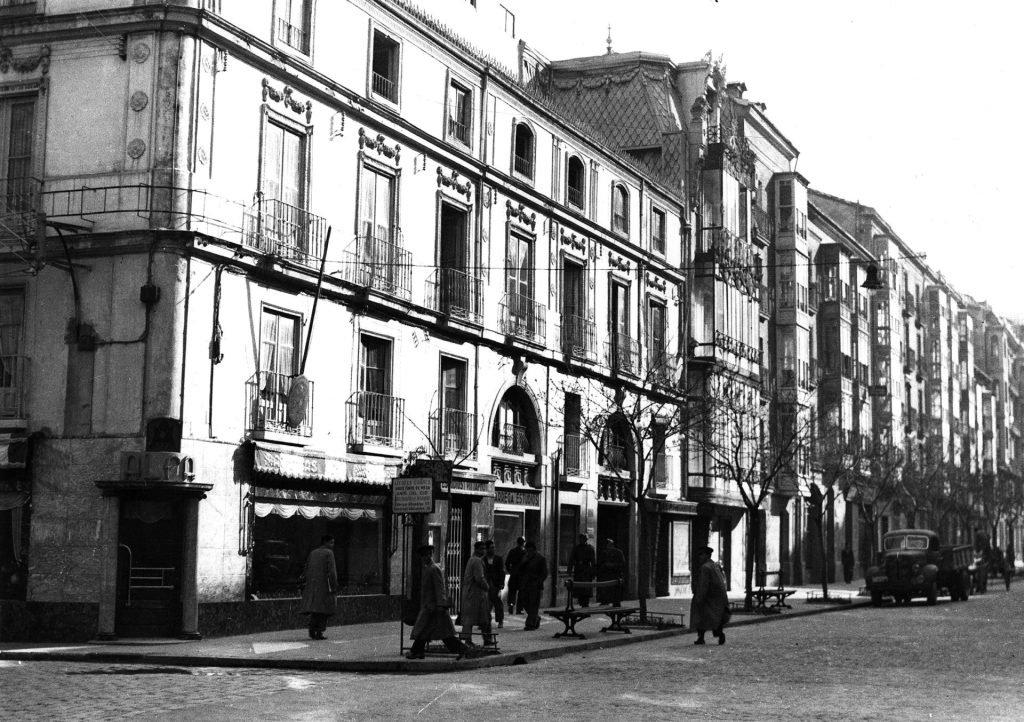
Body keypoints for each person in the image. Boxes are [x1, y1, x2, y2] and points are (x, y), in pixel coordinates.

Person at [407, 544, 471, 659]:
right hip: (430, 607)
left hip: (434, 608)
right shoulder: (428, 569)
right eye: (422, 556)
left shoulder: (434, 569)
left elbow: (439, 588)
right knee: (425, 630)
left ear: (430, 555)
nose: (423, 558)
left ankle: (464, 649)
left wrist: (440, 604)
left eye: (425, 555)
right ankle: (418, 651)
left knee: (440, 633)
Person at [690, 545, 730, 645]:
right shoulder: (715, 565)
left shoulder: (705, 567)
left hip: (708, 597)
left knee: (700, 616)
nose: (699, 557)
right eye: (699, 555)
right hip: (718, 597)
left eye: (701, 554)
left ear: (707, 555)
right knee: (715, 617)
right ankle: (719, 634)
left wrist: (700, 598)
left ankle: (701, 637)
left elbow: (704, 584)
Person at [299, 535, 338, 640]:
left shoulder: (313, 552)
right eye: (331, 543)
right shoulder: (329, 553)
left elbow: (306, 568)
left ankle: (312, 628)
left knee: (315, 610)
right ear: (325, 542)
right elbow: (332, 572)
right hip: (324, 586)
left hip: (312, 586)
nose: (332, 545)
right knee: (323, 611)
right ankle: (319, 632)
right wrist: (334, 586)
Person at [460, 540, 492, 646]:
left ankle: (469, 639)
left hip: (472, 594)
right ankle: (486, 639)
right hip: (476, 594)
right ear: (477, 549)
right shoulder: (477, 561)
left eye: (484, 548)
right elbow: (479, 578)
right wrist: (487, 587)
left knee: (471, 618)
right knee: (484, 617)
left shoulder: (472, 560)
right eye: (482, 548)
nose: (484, 550)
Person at [517, 541, 548, 630]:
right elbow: (520, 569)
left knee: (533, 604)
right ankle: (535, 618)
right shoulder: (525, 557)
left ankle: (530, 624)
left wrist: (538, 581)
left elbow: (544, 572)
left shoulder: (540, 558)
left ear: (534, 550)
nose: (528, 552)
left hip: (535, 584)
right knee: (525, 603)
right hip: (525, 584)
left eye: (530, 550)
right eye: (527, 550)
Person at [596, 538, 626, 607]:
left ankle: (616, 603)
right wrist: (604, 566)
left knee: (615, 591)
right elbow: (599, 564)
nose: (608, 546)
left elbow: (622, 564)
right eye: (607, 545)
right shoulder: (603, 553)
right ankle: (605, 601)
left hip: (615, 574)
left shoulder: (618, 552)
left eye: (609, 545)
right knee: (606, 589)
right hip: (606, 574)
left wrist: (613, 565)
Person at [569, 533, 596, 607]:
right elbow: (572, 559)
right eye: (580, 539)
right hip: (578, 569)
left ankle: (585, 601)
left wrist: (593, 572)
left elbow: (593, 561)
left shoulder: (590, 548)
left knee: (586, 587)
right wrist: (570, 569)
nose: (581, 540)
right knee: (579, 587)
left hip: (586, 570)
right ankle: (581, 600)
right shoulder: (576, 548)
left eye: (582, 539)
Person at [483, 540, 505, 628]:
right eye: (491, 548)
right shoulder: (483, 560)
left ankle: (500, 620)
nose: (493, 549)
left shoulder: (498, 559)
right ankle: (485, 620)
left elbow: (502, 572)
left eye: (493, 547)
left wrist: (501, 584)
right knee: (486, 603)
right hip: (487, 583)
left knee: (498, 603)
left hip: (495, 584)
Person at [505, 536, 527, 614]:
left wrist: (511, 571)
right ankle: (519, 609)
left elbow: (507, 563)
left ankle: (511, 606)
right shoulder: (525, 553)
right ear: (523, 543)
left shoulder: (512, 551)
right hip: (522, 575)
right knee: (521, 592)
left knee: (512, 592)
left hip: (514, 574)